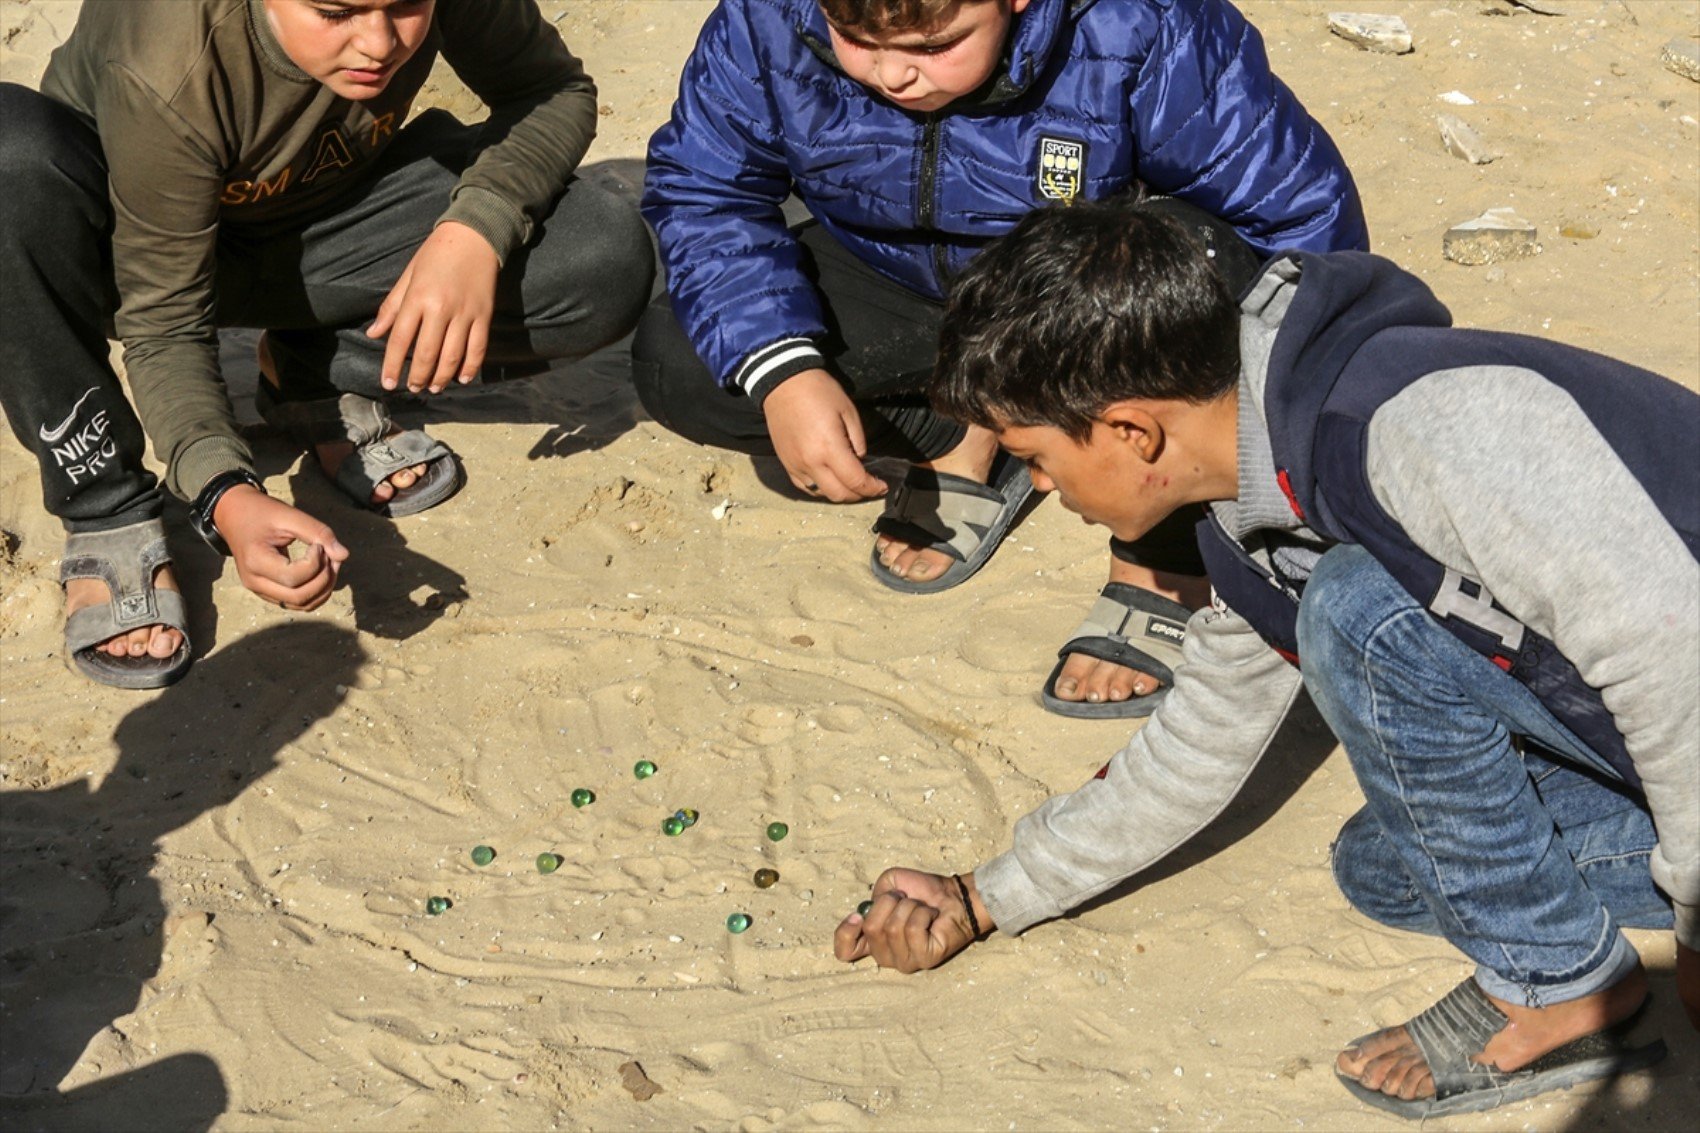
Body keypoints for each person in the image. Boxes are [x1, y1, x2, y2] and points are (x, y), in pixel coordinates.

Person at [833, 200, 1698, 1118]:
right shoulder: (1253, 507)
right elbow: (1201, 742)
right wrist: (986, 895)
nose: (1042, 490)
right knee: (1395, 869)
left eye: (1035, 459)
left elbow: (1674, 655)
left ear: (1132, 431)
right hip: (1639, 710)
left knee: (1358, 612)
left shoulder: (1416, 426)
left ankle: (1558, 990)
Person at [635, 0, 1366, 720]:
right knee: (689, 361)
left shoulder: (1145, 21)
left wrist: (1284, 436)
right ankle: (966, 429)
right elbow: (705, 191)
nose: (893, 75)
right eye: (854, 38)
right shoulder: (765, 14)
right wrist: (785, 368)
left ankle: (1162, 545)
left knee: (1193, 263)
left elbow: (1297, 226)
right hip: (899, 281)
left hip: (1085, 300)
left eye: (934, 45)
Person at [0, 0, 652, 689]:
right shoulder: (170, 56)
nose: (378, 42)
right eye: (335, 11)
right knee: (8, 160)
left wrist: (474, 232)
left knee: (602, 259)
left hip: (323, 220)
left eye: (406, 6)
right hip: (131, 248)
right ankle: (103, 500)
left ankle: (307, 368)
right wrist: (224, 488)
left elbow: (552, 91)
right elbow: (164, 321)